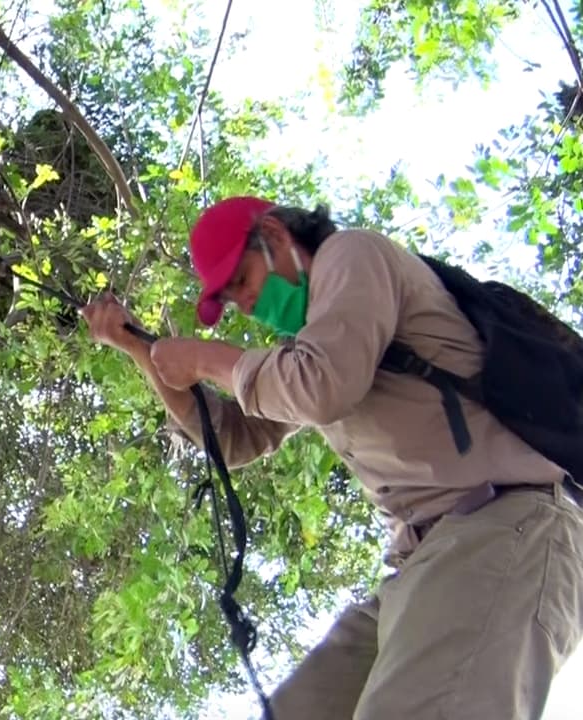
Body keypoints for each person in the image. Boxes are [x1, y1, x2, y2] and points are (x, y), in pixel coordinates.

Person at [81, 195, 583, 719]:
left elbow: (322, 386)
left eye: (242, 281)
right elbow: (235, 438)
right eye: (230, 300)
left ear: (275, 237)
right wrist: (140, 350)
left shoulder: (352, 254)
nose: (245, 305)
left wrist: (209, 359)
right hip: (424, 563)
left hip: (506, 527)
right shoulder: (311, 345)